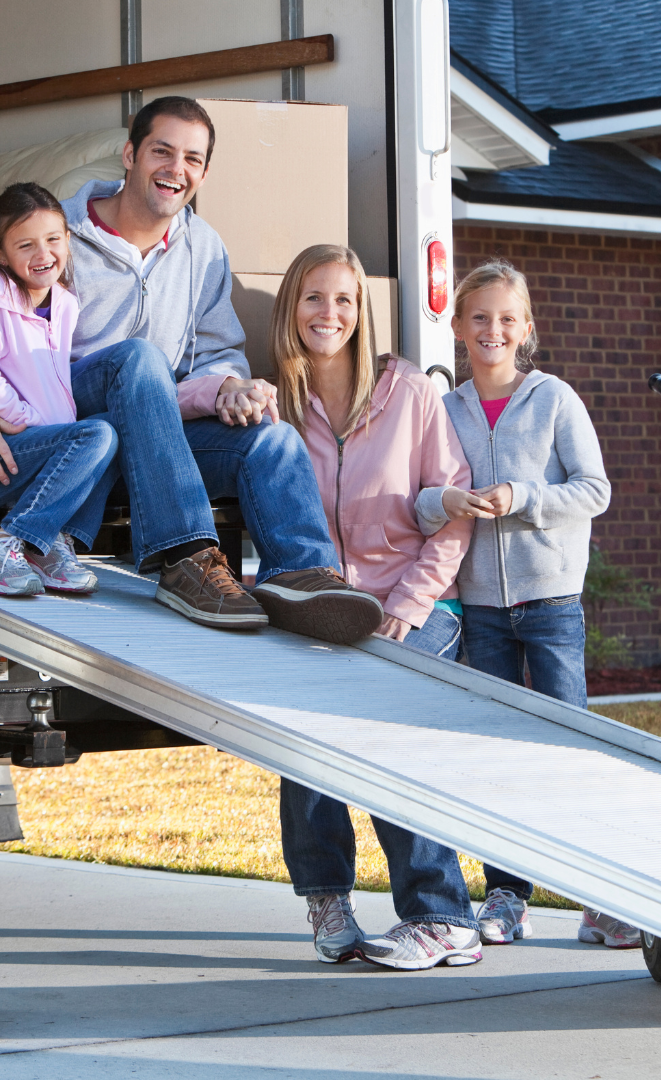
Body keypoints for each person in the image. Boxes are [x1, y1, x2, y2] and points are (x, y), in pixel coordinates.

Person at [0, 96, 382, 643]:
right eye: (162, 151)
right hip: (67, 420)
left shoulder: (204, 248)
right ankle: (184, 556)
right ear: (129, 155)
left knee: (272, 439)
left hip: (157, 438)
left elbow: (218, 349)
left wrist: (230, 384)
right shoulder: (53, 231)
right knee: (139, 358)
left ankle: (300, 574)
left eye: (193, 159)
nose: (176, 169)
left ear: (203, 173)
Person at [267, 244, 484, 970]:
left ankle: (442, 917)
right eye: (314, 297)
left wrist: (410, 604)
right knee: (300, 726)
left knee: (384, 726)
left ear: (362, 313)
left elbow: (453, 512)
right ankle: (326, 895)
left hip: (416, 606)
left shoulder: (410, 393)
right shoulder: (278, 403)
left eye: (344, 300)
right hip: (319, 608)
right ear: (291, 308)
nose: (329, 313)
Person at [416, 258, 641, 950]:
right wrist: (445, 501)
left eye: (507, 318)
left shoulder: (554, 399)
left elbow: (595, 490)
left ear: (526, 328)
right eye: (480, 317)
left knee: (569, 752)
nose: (494, 329)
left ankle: (600, 902)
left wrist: (522, 497)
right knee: (498, 758)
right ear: (458, 327)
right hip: (480, 610)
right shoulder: (443, 409)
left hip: (550, 604)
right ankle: (508, 897)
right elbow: (417, 500)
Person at [0, 182, 112, 597]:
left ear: (68, 240)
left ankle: (49, 545)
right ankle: (4, 544)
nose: (43, 254)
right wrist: (27, 419)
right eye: (26, 245)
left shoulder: (65, 303)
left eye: (53, 240)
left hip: (35, 452)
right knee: (96, 434)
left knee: (116, 428)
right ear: (0, 254)